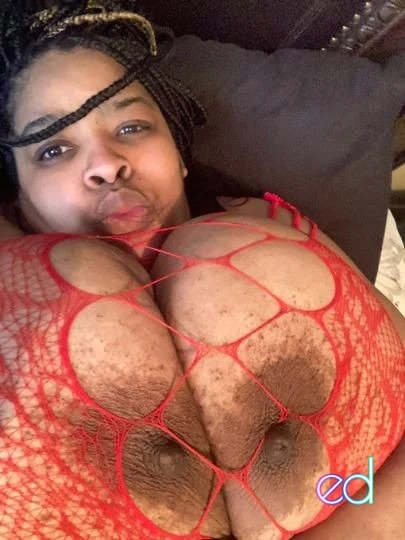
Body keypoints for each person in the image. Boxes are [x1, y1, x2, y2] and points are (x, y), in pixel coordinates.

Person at [0, 1, 403, 539]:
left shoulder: (266, 224)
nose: (106, 165)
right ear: (19, 201)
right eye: (53, 149)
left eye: (132, 126)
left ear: (179, 152)